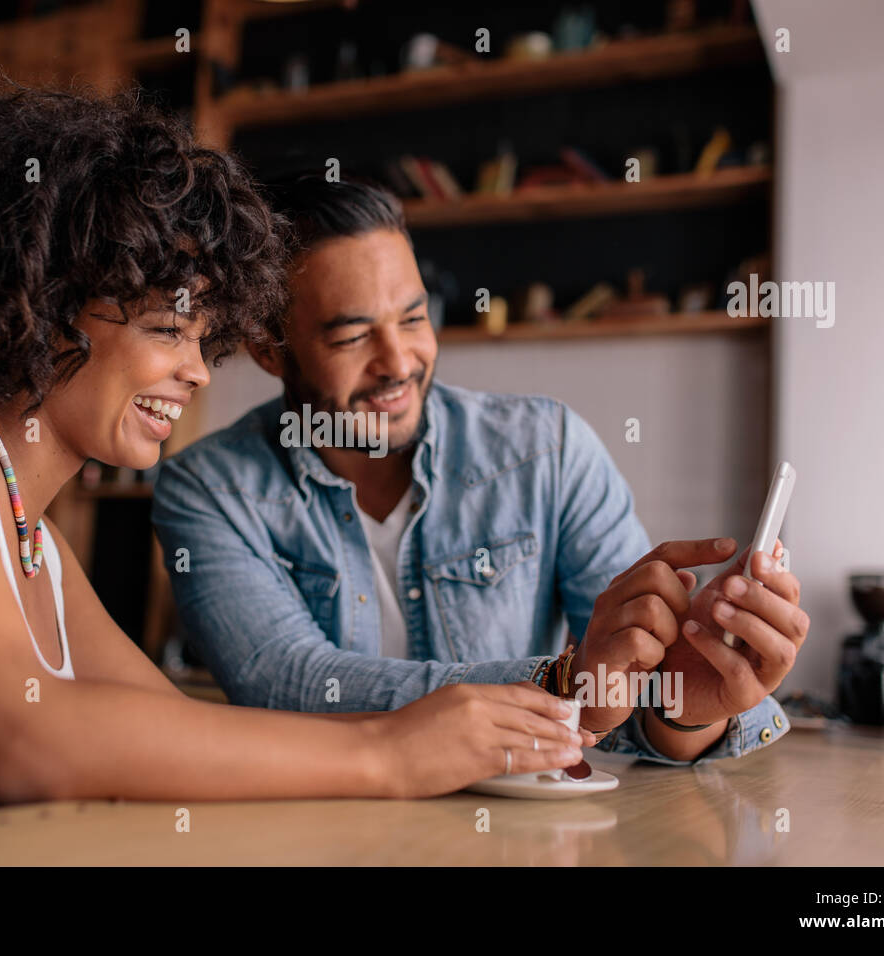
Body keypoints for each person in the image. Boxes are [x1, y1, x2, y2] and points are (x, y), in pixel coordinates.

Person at [0, 89, 591, 847]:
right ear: (42, 302)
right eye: (169, 330)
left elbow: (178, 736)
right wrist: (392, 754)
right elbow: (14, 737)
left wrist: (443, 740)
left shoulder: (36, 548)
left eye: (205, 339)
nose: (200, 370)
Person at [151, 174, 810, 765]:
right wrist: (560, 686)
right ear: (271, 350)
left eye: (414, 319)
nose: (398, 362)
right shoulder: (209, 488)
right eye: (352, 337)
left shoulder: (548, 450)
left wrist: (678, 706)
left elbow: (621, 695)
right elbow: (284, 683)